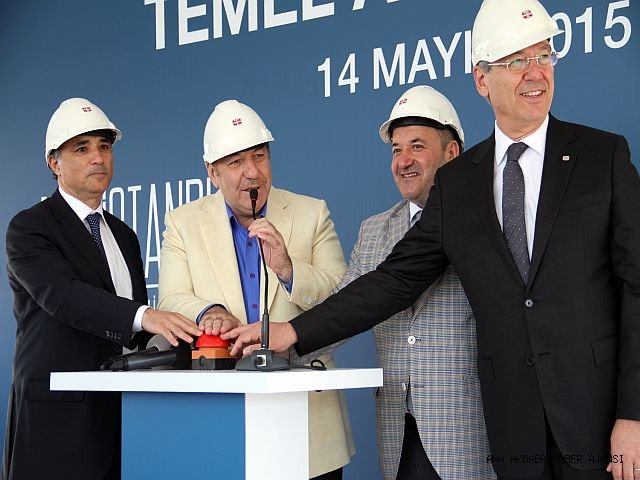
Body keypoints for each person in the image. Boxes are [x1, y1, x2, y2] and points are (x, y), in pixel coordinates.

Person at [225, 1, 640, 479]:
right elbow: (393, 280)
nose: (535, 72)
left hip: (600, 423)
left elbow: (636, 286)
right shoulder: (460, 183)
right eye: (515, 61)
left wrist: (633, 414)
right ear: (482, 80)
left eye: (543, 55)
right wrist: (294, 332)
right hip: (512, 429)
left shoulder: (602, 156)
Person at [1, 98, 201, 480]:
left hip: (123, 421)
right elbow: (64, 295)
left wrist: (190, 338)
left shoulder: (124, 235)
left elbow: (134, 333)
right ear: (54, 163)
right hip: (56, 424)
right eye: (82, 148)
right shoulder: (30, 228)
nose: (98, 158)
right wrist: (147, 316)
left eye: (104, 147)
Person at [157, 99, 354, 480]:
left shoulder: (312, 213)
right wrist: (209, 312)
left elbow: (344, 301)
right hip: (221, 424)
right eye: (235, 162)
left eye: (259, 156)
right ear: (212, 172)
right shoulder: (182, 223)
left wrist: (288, 270)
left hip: (308, 427)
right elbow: (170, 299)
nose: (253, 173)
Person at [336, 85, 494, 480]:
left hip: (467, 432)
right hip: (397, 433)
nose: (403, 161)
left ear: (452, 153)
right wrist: (274, 348)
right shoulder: (374, 230)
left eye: (417, 147)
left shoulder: (488, 221)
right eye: (396, 150)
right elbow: (343, 309)